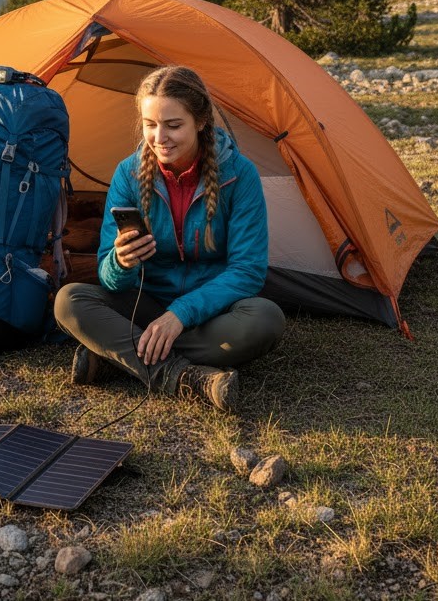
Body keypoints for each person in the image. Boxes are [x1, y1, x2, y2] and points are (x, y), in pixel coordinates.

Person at [54, 65, 285, 413]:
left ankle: (118, 355)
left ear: (201, 121)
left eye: (173, 125)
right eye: (150, 125)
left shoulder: (240, 175)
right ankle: (183, 377)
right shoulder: (128, 174)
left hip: (208, 311)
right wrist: (122, 262)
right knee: (69, 301)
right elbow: (108, 276)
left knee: (264, 319)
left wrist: (180, 313)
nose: (159, 137)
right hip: (144, 304)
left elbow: (248, 270)